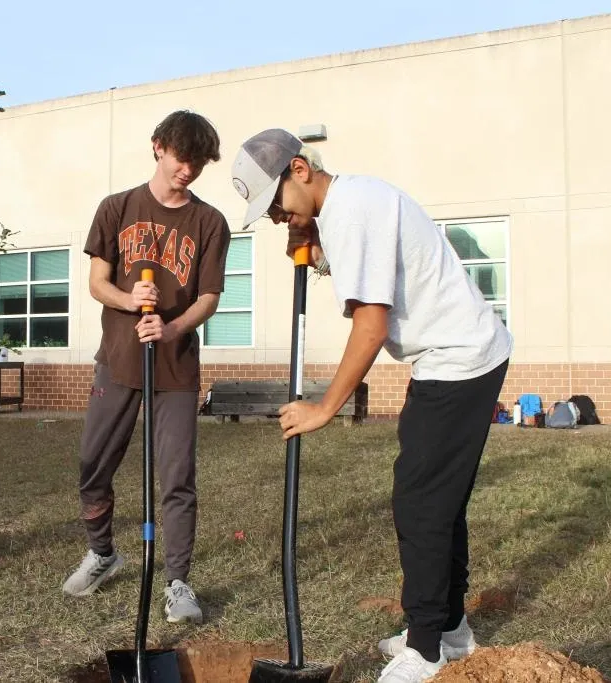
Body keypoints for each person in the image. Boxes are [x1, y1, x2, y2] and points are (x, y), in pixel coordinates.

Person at [230, 129, 512, 682]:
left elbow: (371, 324)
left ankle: (426, 649)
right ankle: (449, 630)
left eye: (276, 204)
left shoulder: (351, 214)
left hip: (457, 359)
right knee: (438, 498)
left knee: (421, 503)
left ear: (299, 170)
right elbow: (375, 270)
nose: (276, 218)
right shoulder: (351, 202)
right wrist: (317, 251)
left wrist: (324, 406)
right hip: (454, 355)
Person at [61, 110, 231, 625]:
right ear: (158, 146)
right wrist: (131, 300)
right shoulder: (116, 208)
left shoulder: (209, 222)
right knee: (93, 466)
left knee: (177, 477)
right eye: (183, 158)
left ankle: (178, 582)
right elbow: (97, 284)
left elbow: (208, 297)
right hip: (117, 361)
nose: (189, 170)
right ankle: (103, 553)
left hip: (176, 370)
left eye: (199, 162)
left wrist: (173, 328)